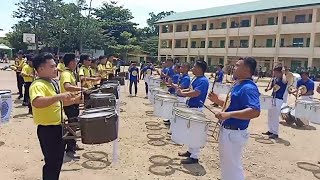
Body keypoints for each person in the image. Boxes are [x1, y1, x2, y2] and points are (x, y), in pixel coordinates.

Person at [208, 57, 260, 180]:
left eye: (237, 66)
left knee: (233, 165)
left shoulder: (248, 88)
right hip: (228, 130)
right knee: (227, 163)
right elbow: (232, 105)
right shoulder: (239, 84)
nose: (234, 68)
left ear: (246, 69)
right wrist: (218, 101)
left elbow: (255, 111)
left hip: (234, 132)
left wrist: (229, 115)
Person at [30, 52, 76, 180]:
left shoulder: (52, 83)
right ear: (40, 69)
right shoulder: (37, 85)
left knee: (57, 162)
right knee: (51, 163)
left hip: (58, 127)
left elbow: (59, 102)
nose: (56, 69)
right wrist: (59, 96)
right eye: (52, 66)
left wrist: (74, 100)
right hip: (48, 130)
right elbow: (37, 102)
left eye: (55, 66)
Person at [176, 60, 209, 164]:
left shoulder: (203, 81)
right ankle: (190, 152)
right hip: (191, 107)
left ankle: (195, 156)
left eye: (194, 67)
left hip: (196, 108)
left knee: (195, 132)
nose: (192, 68)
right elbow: (190, 89)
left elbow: (195, 93)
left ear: (199, 69)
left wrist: (183, 94)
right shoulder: (197, 79)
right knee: (190, 131)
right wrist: (182, 92)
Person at [60, 53, 85, 159]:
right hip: (69, 104)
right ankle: (70, 150)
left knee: (73, 126)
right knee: (71, 126)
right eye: (75, 61)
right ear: (71, 62)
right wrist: (81, 89)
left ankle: (72, 145)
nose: (76, 63)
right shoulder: (66, 73)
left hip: (73, 103)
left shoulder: (70, 73)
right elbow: (67, 86)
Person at [263, 66, 287, 139]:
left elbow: (284, 82)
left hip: (279, 99)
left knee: (275, 116)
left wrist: (283, 73)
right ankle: (271, 130)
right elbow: (272, 87)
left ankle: (275, 133)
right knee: (270, 115)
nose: (275, 74)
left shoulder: (283, 79)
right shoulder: (275, 79)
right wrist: (268, 89)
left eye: (276, 73)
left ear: (281, 73)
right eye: (274, 73)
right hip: (273, 98)